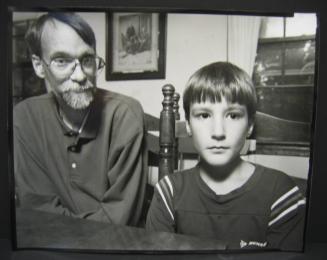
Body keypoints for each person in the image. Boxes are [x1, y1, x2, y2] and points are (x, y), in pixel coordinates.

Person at [146, 61, 306, 250]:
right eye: (204, 116)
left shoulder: (281, 195)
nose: (218, 132)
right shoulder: (169, 192)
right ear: (188, 124)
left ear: (250, 125)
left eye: (233, 116)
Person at [14, 12, 147, 226]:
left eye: (87, 59)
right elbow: (37, 211)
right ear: (39, 66)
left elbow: (121, 218)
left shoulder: (125, 115)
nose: (79, 76)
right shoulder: (24, 117)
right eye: (62, 61)